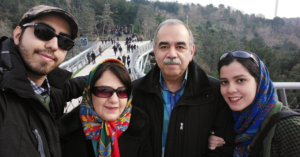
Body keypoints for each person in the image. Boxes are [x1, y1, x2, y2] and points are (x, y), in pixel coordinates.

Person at [131, 19, 235, 157]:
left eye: (180, 47)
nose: (172, 54)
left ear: (191, 52)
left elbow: (224, 148)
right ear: (155, 51)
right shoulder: (134, 92)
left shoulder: (214, 93)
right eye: (164, 47)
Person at [0, 5, 87, 157]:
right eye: (43, 32)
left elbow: (74, 86)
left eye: (64, 42)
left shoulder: (49, 86)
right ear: (17, 35)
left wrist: (109, 77)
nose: (53, 46)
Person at [209, 50, 300, 156]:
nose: (230, 89)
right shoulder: (234, 122)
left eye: (240, 80)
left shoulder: (290, 127)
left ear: (260, 82)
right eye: (224, 82)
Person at [58, 59, 153, 157]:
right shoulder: (64, 131)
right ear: (89, 94)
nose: (114, 100)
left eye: (122, 91)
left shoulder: (140, 125)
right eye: (104, 91)